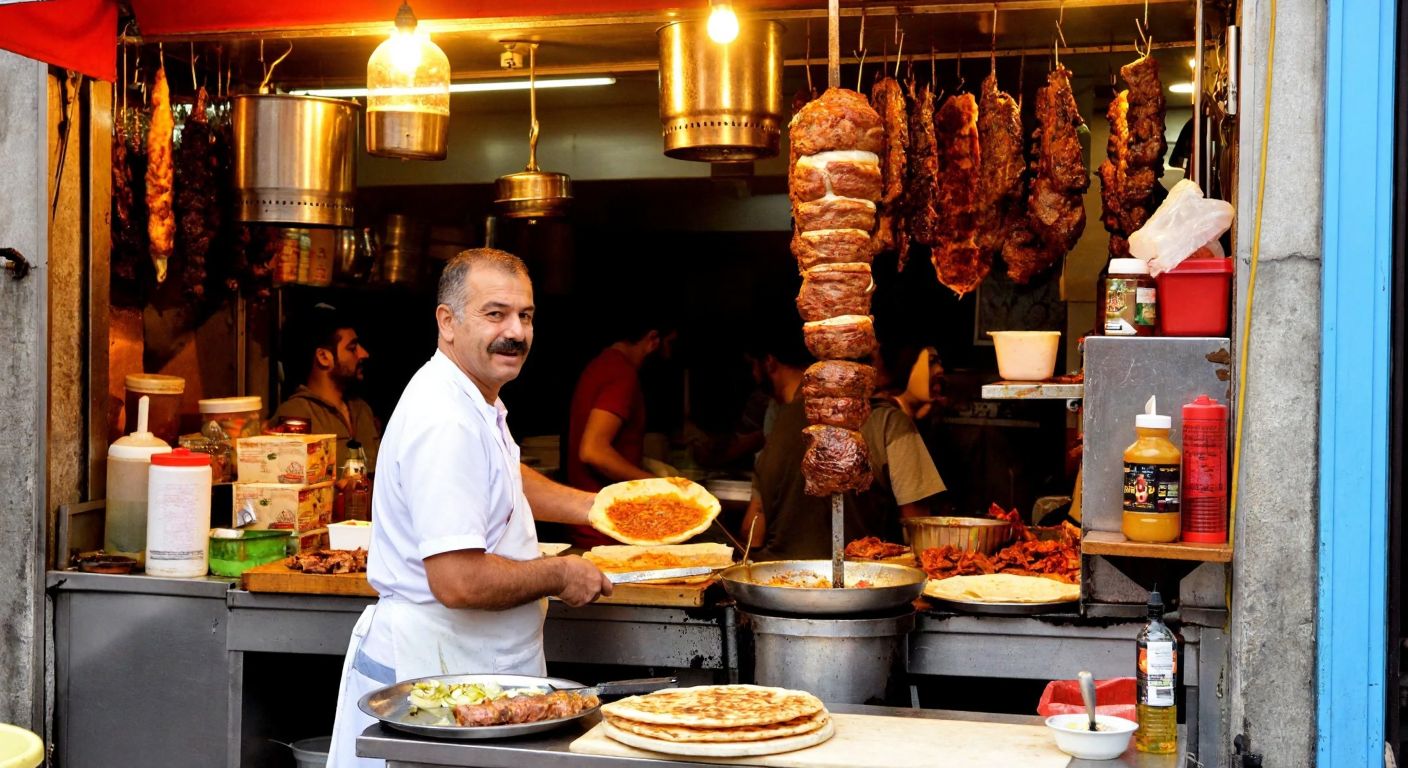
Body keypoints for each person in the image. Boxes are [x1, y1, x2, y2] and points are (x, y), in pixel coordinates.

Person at [327, 249, 614, 768]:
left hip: (469, 669)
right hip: (439, 676)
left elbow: (503, 477)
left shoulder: (472, 398)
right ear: (447, 321)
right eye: (495, 313)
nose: (516, 331)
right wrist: (561, 573)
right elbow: (458, 580)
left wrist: (601, 508)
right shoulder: (446, 420)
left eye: (525, 316)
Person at [742, 324, 946, 560]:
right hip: (862, 584)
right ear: (869, 367)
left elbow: (753, 529)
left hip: (780, 580)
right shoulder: (889, 422)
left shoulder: (780, 423)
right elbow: (921, 532)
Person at [563, 309, 676, 549]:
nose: (670, 354)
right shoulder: (621, 373)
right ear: (653, 339)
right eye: (669, 344)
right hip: (607, 531)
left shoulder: (600, 365)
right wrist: (657, 486)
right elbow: (593, 450)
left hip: (597, 526)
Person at [274, 303, 382, 472]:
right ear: (324, 357)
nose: (363, 354)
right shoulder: (296, 414)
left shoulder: (362, 410)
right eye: (352, 348)